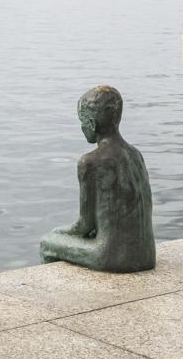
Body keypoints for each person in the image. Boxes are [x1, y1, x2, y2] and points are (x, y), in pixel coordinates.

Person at [39, 86, 156, 273]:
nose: (82, 127)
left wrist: (59, 231)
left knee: (48, 242)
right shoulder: (135, 155)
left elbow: (84, 226)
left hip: (111, 256)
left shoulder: (90, 162)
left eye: (82, 121)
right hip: (146, 255)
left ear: (92, 123)